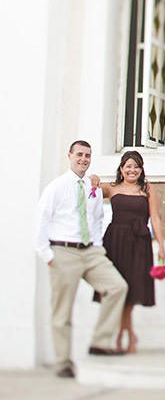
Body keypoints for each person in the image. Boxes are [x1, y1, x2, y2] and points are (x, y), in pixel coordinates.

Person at [32, 141, 128, 378]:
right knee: (62, 310)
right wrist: (47, 254)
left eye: (88, 155)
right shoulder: (57, 186)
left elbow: (96, 218)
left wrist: (97, 247)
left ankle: (100, 342)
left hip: (90, 251)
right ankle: (63, 361)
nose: (84, 159)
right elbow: (41, 219)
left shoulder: (91, 186)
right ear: (70, 156)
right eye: (80, 155)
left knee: (117, 287)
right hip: (63, 251)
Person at [89, 151, 165, 353]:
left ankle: (125, 334)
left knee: (132, 290)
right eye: (128, 166)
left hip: (139, 243)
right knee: (118, 289)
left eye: (136, 166)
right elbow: (88, 190)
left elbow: (155, 219)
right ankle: (127, 335)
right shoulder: (112, 188)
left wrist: (161, 247)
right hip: (115, 242)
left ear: (141, 170)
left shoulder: (147, 189)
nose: (132, 170)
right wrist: (92, 177)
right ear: (121, 169)